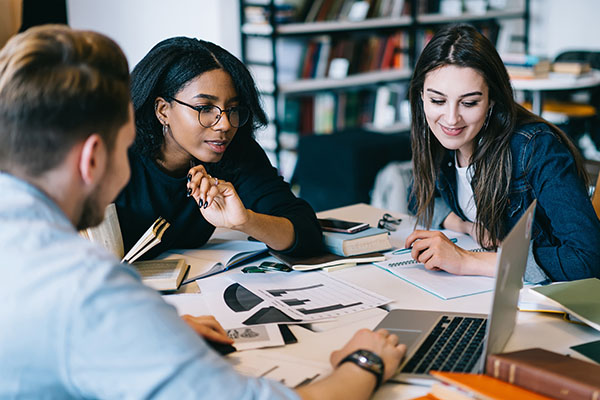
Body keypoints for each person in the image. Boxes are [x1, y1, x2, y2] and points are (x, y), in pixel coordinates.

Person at [0, 25, 406, 399]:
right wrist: (364, 363)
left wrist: (148, 329)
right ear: (93, 159)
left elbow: (301, 225)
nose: (223, 124)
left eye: (231, 109)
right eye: (123, 143)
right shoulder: (90, 288)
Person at [405, 24, 600, 283]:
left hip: (545, 301)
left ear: (491, 101)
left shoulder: (536, 148)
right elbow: (419, 195)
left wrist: (466, 260)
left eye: (469, 102)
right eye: (437, 101)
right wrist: (467, 227)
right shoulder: (440, 138)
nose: (451, 119)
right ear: (421, 96)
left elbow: (587, 259)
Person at [114, 36, 322, 260]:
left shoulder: (234, 152)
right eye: (204, 108)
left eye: (232, 108)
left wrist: (245, 220)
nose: (224, 124)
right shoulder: (113, 156)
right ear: (163, 110)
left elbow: (306, 234)